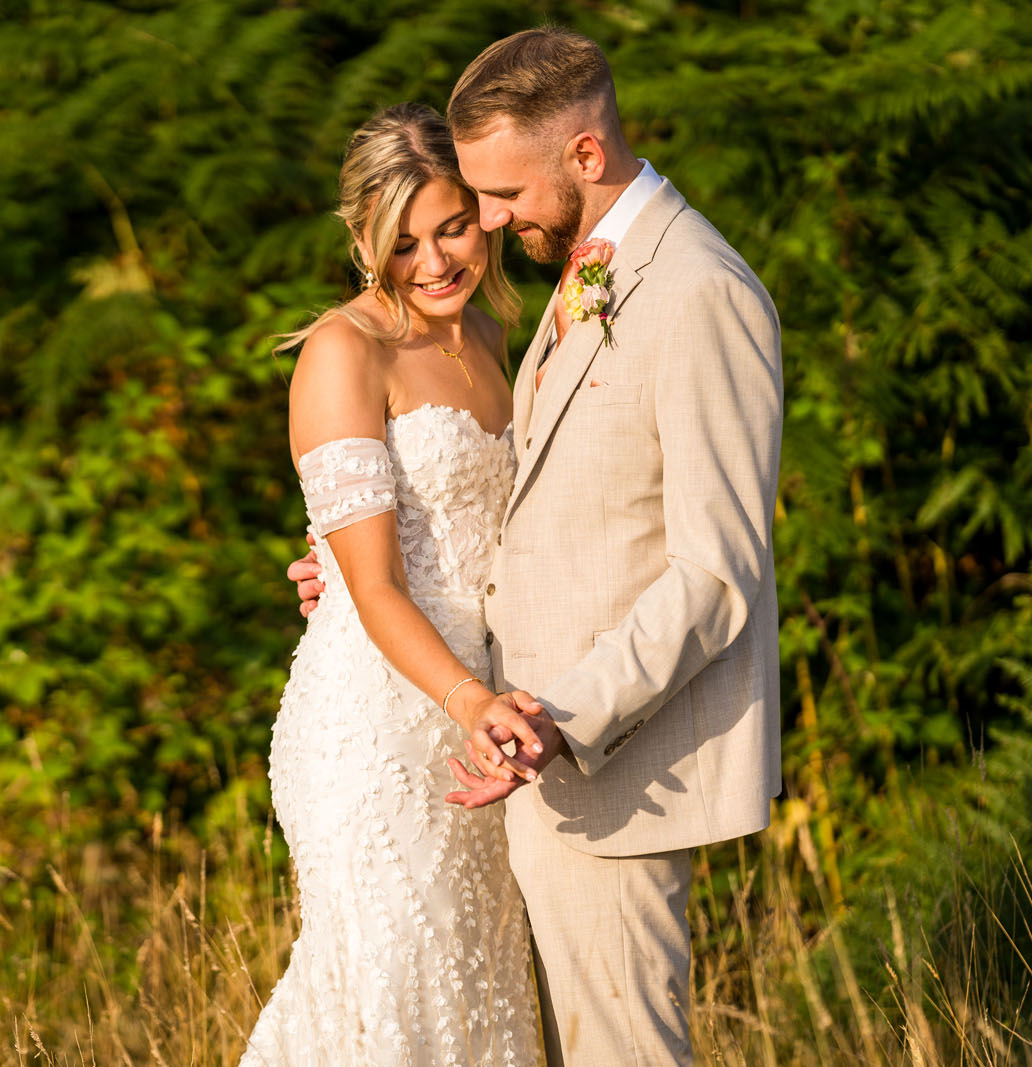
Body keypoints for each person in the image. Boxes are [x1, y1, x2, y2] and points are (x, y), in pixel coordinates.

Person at [289, 28, 784, 1067]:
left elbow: (715, 569)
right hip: (462, 733)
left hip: (582, 742)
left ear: (584, 158)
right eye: (419, 233)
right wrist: (346, 572)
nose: (483, 235)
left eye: (486, 209)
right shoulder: (569, 279)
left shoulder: (696, 287)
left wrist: (561, 720)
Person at [240, 102, 539, 1066]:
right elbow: (372, 589)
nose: (437, 262)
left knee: (472, 996)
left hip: (476, 717)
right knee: (385, 1001)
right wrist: (473, 701)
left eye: (453, 226)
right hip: (376, 724)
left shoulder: (490, 331)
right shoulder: (345, 350)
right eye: (403, 244)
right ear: (366, 243)